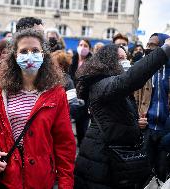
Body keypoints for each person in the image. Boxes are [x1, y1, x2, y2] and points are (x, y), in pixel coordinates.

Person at [0, 29, 76, 189]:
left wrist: (65, 184)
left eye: (35, 50)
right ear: (15, 56)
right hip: (7, 177)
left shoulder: (56, 93)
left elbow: (64, 143)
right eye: (24, 51)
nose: (30, 55)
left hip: (41, 179)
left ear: (43, 55)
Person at [74, 41, 170, 189]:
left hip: (115, 161)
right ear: (107, 62)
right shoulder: (100, 84)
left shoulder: (111, 87)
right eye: (119, 59)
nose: (125, 62)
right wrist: (165, 50)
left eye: (126, 58)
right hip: (102, 162)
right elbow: (128, 80)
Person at [135, 33, 170, 182]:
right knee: (144, 172)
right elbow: (134, 98)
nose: (148, 48)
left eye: (153, 45)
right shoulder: (144, 69)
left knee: (163, 172)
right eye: (147, 45)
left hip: (166, 131)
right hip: (146, 129)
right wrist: (137, 118)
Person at [69, 38, 92, 147]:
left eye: (85, 46)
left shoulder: (92, 62)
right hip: (72, 96)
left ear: (89, 48)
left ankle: (82, 147)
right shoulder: (72, 60)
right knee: (74, 126)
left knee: (83, 126)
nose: (82, 48)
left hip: (85, 98)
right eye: (81, 45)